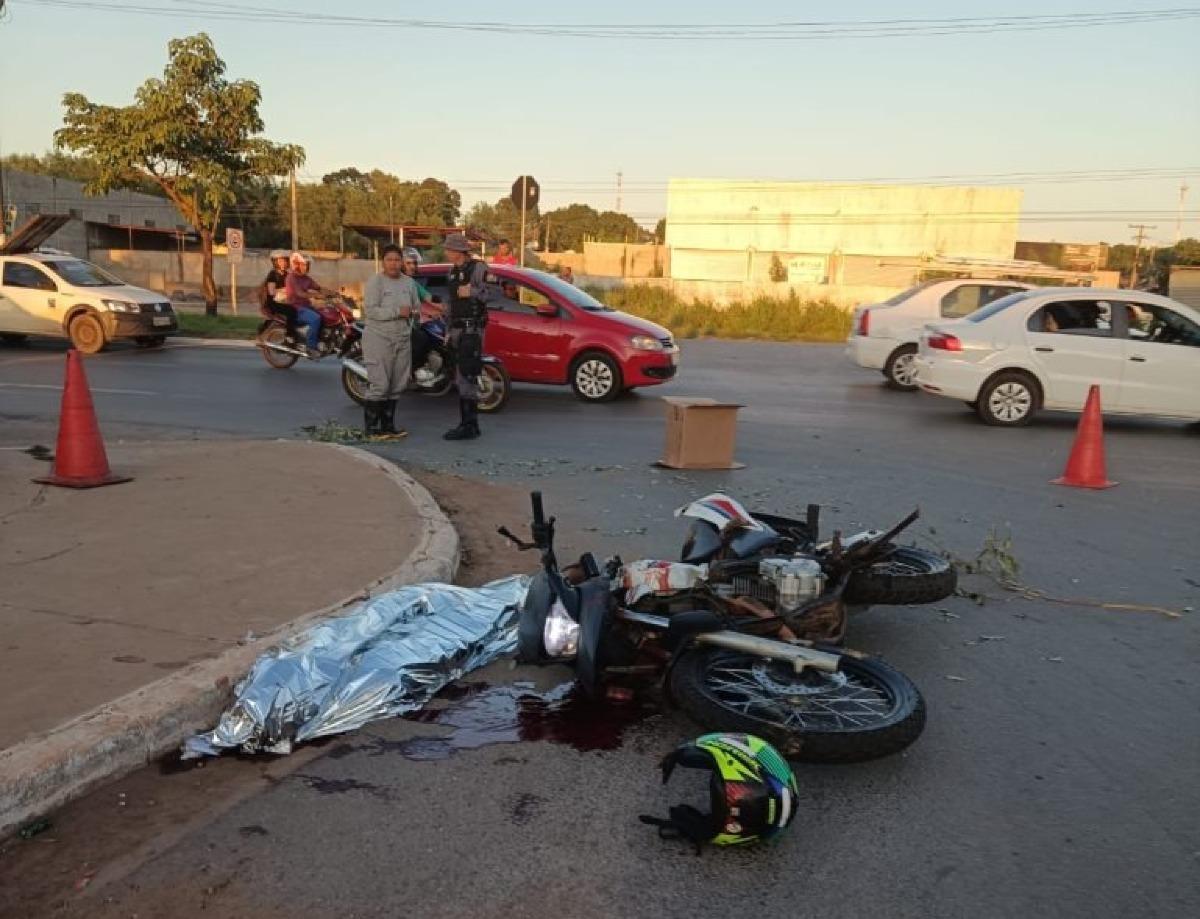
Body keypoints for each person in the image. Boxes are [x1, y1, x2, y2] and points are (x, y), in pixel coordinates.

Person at [361, 244, 420, 440]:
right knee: (380, 384)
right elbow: (370, 311)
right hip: (379, 337)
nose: (394, 264)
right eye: (389, 259)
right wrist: (396, 312)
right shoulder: (375, 282)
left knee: (397, 385)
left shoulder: (409, 283)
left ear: (402, 261)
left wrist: (416, 314)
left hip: (402, 338)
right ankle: (371, 429)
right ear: (383, 261)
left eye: (397, 259)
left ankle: (388, 426)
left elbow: (415, 307)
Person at [443, 233, 498, 440]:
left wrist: (472, 292)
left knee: (467, 375)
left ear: (458, 251)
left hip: (472, 329)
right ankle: (469, 424)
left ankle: (469, 426)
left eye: (449, 249)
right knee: (460, 376)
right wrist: (448, 329)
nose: (446, 252)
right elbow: (451, 303)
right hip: (457, 329)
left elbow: (493, 293)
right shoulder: (452, 272)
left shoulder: (478, 268)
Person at [401, 247, 444, 374]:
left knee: (431, 337)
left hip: (411, 325)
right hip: (396, 326)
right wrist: (427, 313)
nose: (412, 266)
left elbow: (429, 297)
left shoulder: (412, 283)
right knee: (421, 340)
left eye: (414, 263)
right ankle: (407, 373)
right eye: (408, 263)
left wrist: (447, 307)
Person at [284, 253, 327, 357]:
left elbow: (319, 288)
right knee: (316, 319)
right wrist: (317, 295)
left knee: (325, 314)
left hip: (306, 307)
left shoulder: (306, 278)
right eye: (304, 264)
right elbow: (300, 293)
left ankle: (321, 341)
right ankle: (310, 347)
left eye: (307, 265)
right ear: (297, 265)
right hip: (296, 308)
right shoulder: (291, 278)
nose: (306, 267)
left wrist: (334, 293)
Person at [260, 250, 299, 342]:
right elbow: (271, 292)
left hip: (284, 300)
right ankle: (289, 336)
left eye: (285, 261)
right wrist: (285, 290)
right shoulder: (273, 275)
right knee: (292, 312)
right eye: (280, 261)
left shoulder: (288, 274)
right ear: (275, 262)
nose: (283, 263)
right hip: (273, 302)